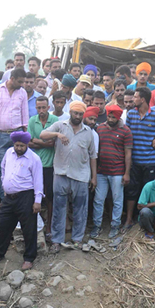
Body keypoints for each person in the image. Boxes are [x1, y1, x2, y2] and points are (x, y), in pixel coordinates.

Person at [40, 101, 97, 251]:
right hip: (61, 173)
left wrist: (94, 177)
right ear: (70, 112)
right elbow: (42, 135)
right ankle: (57, 241)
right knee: (59, 208)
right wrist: (57, 134)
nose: (77, 116)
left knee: (80, 208)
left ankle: (77, 239)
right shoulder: (60, 125)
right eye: (75, 113)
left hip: (81, 175)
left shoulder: (88, 132)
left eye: (80, 114)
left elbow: (93, 155)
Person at [0, 131, 43, 271]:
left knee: (29, 229)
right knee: (3, 226)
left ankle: (29, 258)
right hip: (9, 197)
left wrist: (37, 201)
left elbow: (38, 181)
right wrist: (5, 185)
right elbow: (3, 169)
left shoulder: (34, 159)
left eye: (22, 146)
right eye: (17, 145)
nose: (18, 148)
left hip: (26, 196)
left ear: (27, 145)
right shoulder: (9, 153)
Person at [124, 87, 155, 228]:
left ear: (143, 99)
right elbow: (127, 134)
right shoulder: (131, 114)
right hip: (134, 161)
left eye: (135, 97)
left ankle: (145, 221)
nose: (133, 100)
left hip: (150, 161)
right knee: (132, 191)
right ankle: (129, 219)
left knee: (148, 192)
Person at [91, 103, 132, 239]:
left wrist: (126, 173)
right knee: (98, 200)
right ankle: (97, 226)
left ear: (119, 117)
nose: (110, 119)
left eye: (113, 117)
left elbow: (128, 154)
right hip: (101, 171)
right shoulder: (100, 129)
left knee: (117, 200)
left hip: (118, 171)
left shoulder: (126, 131)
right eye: (109, 116)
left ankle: (115, 226)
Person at [0, 67, 28, 191]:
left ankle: (17, 196)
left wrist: (26, 137)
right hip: (0, 135)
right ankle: (5, 199)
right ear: (12, 79)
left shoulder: (22, 92)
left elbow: (25, 116)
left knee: (19, 166)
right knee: (3, 167)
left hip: (18, 134)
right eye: (20, 82)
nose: (22, 84)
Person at [28, 95, 57, 237]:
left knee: (50, 196)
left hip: (51, 165)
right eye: (38, 107)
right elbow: (28, 142)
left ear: (48, 107)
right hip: (36, 165)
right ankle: (36, 225)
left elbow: (54, 143)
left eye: (43, 107)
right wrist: (45, 143)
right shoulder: (32, 121)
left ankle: (49, 226)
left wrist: (37, 141)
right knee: (35, 195)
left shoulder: (55, 121)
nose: (41, 110)